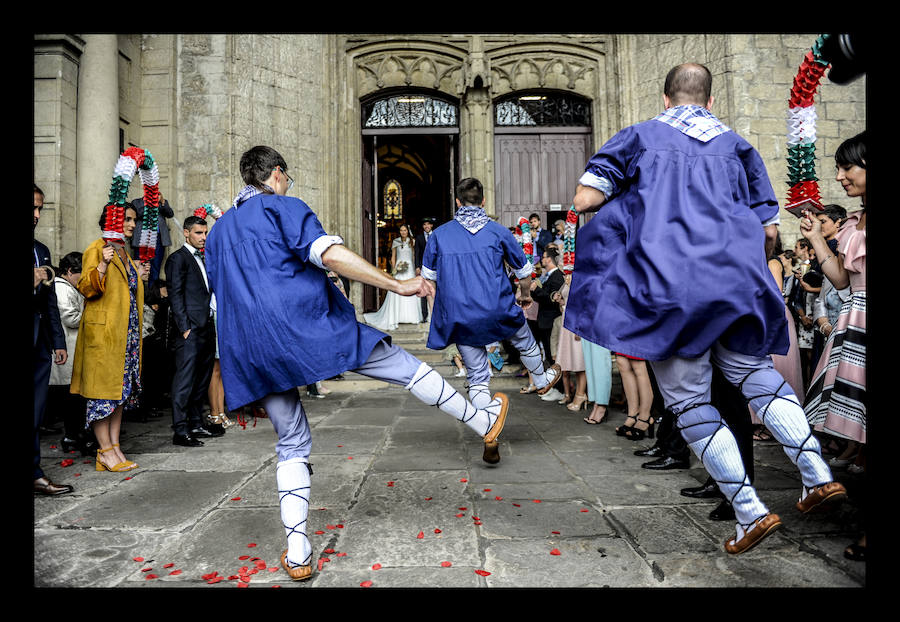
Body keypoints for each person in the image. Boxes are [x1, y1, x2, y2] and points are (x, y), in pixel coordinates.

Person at [567, 63, 845, 555]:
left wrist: (635, 205)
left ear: (666, 98)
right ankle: (816, 474)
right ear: (711, 102)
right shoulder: (738, 147)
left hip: (670, 289)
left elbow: (586, 198)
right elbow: (767, 230)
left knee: (691, 401)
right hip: (733, 286)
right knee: (755, 375)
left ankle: (748, 510)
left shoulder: (638, 137)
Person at [205, 146, 510, 582]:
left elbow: (222, 297)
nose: (288, 184)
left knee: (291, 440)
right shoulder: (282, 207)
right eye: (287, 177)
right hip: (308, 327)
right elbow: (327, 253)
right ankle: (482, 422)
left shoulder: (217, 233)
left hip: (252, 346)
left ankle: (297, 550)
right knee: (400, 364)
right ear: (275, 174)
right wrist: (395, 284)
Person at [422, 176, 564, 419]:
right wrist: (525, 295)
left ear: (458, 202)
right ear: (484, 201)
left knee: (477, 375)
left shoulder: (438, 235)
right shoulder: (498, 231)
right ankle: (540, 379)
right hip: (496, 307)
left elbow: (428, 281)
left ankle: (487, 428)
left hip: (460, 314)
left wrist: (439, 313)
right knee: (525, 341)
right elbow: (524, 271)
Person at [800, 131, 866, 561]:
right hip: (854, 320)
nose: (840, 175)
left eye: (848, 167)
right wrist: (818, 237)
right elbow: (841, 280)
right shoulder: (854, 223)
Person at [70, 204, 149, 473]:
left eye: (134, 220)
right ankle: (104, 450)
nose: (131, 224)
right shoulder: (97, 247)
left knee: (118, 395)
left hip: (124, 338)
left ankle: (115, 447)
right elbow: (87, 288)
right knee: (102, 396)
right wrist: (102, 264)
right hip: (104, 337)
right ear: (112, 221)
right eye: (127, 219)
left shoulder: (125, 253)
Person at [165, 215, 224, 447]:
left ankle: (196, 422)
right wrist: (184, 327)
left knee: (201, 378)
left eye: (205, 233)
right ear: (186, 233)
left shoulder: (205, 258)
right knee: (185, 380)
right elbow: (175, 294)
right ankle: (180, 430)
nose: (203, 237)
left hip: (207, 325)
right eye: (198, 233)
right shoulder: (177, 259)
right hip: (189, 329)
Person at [33, 184, 74, 495]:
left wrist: (58, 343)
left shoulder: (42, 250)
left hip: (39, 345)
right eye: (32, 208)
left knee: (35, 411)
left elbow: (49, 304)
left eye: (40, 209)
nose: (36, 215)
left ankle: (34, 472)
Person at [49, 252, 94, 455]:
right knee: (72, 399)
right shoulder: (61, 289)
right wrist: (91, 311)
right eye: (80, 275)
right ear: (69, 271)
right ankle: (72, 436)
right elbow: (71, 319)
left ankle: (75, 434)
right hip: (68, 350)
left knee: (75, 398)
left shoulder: (68, 287)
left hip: (74, 349)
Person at [363, 224, 423, 331]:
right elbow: (393, 256)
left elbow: (414, 256)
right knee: (397, 290)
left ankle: (411, 317)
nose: (403, 232)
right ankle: (397, 316)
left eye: (404, 230)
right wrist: (394, 269)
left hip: (410, 269)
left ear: (407, 231)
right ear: (399, 232)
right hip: (399, 269)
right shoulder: (396, 241)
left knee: (410, 290)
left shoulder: (411, 241)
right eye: (401, 230)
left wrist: (416, 269)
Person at [552, 275, 588, 412]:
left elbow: (581, 304)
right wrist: (561, 300)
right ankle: (579, 394)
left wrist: (579, 327)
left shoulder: (578, 277)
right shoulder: (567, 276)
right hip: (567, 323)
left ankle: (580, 395)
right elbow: (566, 304)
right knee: (573, 363)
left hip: (576, 324)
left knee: (580, 363)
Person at [129, 191, 174, 290]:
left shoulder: (160, 203)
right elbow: (138, 213)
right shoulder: (137, 202)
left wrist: (162, 201)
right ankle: (138, 294)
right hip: (142, 239)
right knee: (140, 267)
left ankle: (152, 296)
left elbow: (170, 214)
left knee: (155, 268)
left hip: (157, 239)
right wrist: (149, 202)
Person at [529, 248, 566, 367]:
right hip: (544, 320)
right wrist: (533, 290)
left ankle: (558, 384)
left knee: (553, 355)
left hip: (551, 320)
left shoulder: (557, 277)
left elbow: (552, 300)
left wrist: (537, 289)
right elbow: (541, 297)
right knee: (549, 355)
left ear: (549, 259)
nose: (542, 260)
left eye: (543, 257)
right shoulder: (549, 276)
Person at [414, 217, 436, 321]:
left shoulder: (436, 235)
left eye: (428, 224)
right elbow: (417, 253)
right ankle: (424, 315)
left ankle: (436, 313)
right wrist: (417, 266)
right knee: (423, 290)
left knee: (436, 290)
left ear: (431, 225)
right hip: (423, 267)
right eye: (424, 225)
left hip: (435, 267)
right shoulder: (419, 238)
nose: (426, 226)